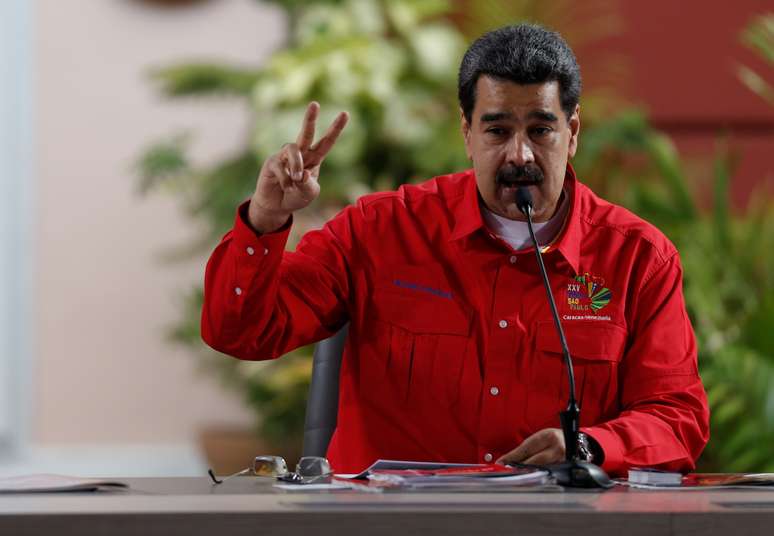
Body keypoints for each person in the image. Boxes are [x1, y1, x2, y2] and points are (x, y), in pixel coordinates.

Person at [201, 24, 709, 476]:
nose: (520, 154)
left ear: (572, 133)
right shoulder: (380, 230)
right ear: (467, 133)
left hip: (555, 523)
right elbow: (241, 333)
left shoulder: (639, 257)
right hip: (391, 526)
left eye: (541, 129)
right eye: (497, 130)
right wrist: (266, 218)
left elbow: (677, 417)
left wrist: (588, 444)